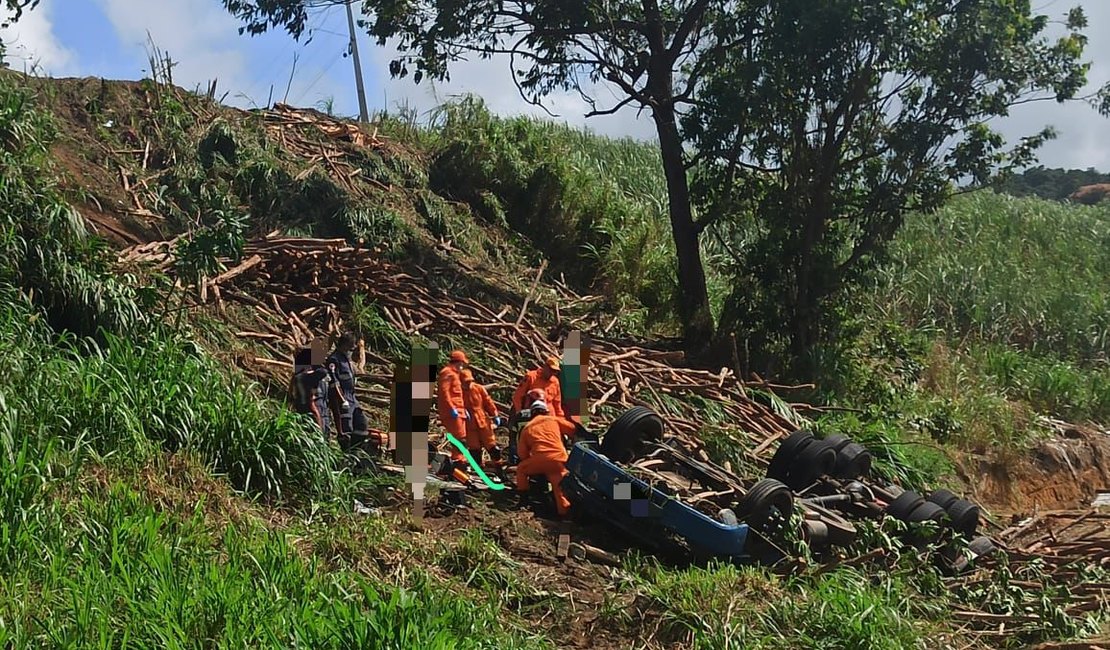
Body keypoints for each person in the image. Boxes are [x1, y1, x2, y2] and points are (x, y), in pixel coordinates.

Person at [515, 399, 578, 517]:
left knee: (521, 469)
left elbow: (522, 454)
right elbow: (573, 429)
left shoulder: (527, 428)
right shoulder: (553, 420)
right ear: (546, 411)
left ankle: (523, 501)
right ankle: (564, 516)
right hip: (559, 460)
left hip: (540, 460)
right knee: (559, 489)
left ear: (532, 413)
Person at [326, 332, 368, 441]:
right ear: (345, 344)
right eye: (351, 346)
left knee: (361, 424)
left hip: (352, 398)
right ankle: (348, 454)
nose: (353, 348)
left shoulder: (346, 360)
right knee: (346, 430)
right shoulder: (334, 360)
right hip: (343, 399)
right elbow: (334, 383)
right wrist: (342, 400)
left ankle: (358, 451)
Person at [460, 369, 503, 465]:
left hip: (483, 421)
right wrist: (462, 412)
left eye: (469, 381)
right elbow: (455, 405)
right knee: (474, 449)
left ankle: (499, 468)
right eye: (466, 382)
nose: (468, 384)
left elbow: (488, 402)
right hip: (469, 424)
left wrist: (495, 414)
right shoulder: (458, 392)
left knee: (492, 446)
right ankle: (479, 470)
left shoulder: (478, 389)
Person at [437, 349, 470, 462]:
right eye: (462, 363)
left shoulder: (455, 375)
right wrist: (452, 408)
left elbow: (457, 395)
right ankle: (457, 459)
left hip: (459, 411)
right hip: (452, 412)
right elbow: (444, 393)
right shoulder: (447, 373)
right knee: (460, 438)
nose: (463, 366)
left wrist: (463, 410)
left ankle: (458, 458)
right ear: (458, 362)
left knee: (463, 437)